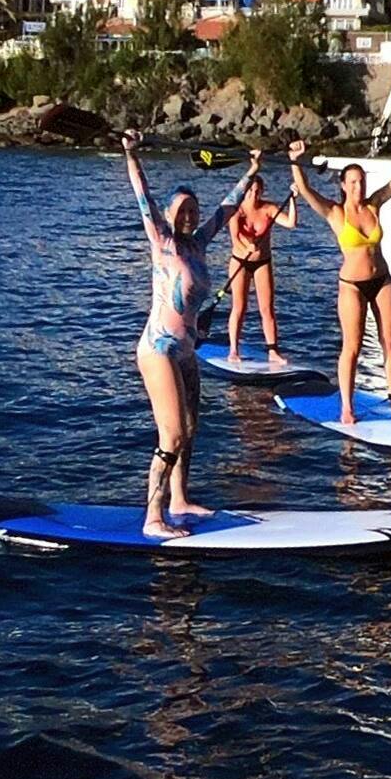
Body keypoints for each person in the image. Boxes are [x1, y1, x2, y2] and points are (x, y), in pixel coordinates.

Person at [119, 128, 254, 538]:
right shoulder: (162, 241)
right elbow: (142, 196)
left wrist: (252, 169)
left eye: (193, 211)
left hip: (185, 351)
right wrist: (132, 154)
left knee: (191, 431)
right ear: (170, 215)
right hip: (158, 348)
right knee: (172, 433)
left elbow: (228, 209)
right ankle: (153, 517)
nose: (189, 217)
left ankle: (179, 498)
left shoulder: (198, 244)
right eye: (181, 211)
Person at [284, 121, 391, 425]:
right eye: (353, 182)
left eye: (361, 181)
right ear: (343, 185)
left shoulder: (374, 205)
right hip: (352, 286)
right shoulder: (335, 213)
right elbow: (307, 191)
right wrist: (295, 160)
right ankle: (346, 407)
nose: (358, 187)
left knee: (390, 340)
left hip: (382, 280)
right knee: (352, 346)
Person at [219, 153, 298, 364]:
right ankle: (234, 350)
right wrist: (248, 246)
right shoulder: (236, 212)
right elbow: (235, 238)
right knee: (240, 307)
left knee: (267, 308)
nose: (254, 194)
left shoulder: (268, 208)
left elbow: (290, 223)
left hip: (263, 262)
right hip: (240, 262)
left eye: (257, 191)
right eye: (250, 191)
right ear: (244, 192)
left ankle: (273, 350)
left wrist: (293, 200)